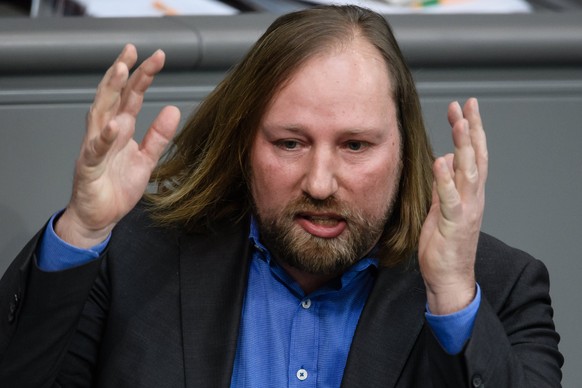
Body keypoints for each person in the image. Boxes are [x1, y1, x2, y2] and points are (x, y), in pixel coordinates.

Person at [0, 5, 562, 387]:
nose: (319, 184)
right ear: (246, 143)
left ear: (405, 148)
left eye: (356, 146)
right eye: (290, 143)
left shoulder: (497, 286)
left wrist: (452, 297)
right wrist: (83, 231)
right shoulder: (133, 251)